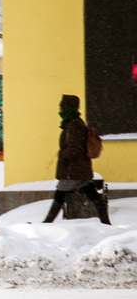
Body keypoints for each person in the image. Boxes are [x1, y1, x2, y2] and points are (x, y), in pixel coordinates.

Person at [44, 94, 110, 224]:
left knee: (60, 195)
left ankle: (46, 223)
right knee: (93, 195)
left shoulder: (74, 125)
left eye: (62, 108)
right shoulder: (72, 123)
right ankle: (106, 222)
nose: (60, 111)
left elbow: (73, 148)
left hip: (73, 169)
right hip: (79, 168)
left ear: (68, 108)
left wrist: (62, 155)